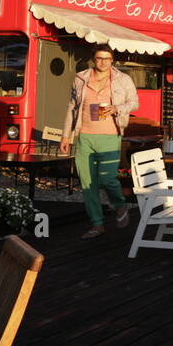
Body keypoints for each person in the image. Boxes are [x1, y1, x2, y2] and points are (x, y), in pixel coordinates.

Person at [59, 44, 139, 238]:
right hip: (84, 136)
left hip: (110, 136)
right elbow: (72, 107)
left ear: (112, 60)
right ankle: (97, 224)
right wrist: (65, 135)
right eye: (99, 58)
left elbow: (134, 102)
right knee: (88, 184)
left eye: (107, 58)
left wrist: (117, 108)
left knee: (107, 179)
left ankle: (119, 206)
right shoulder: (81, 78)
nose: (103, 62)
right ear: (93, 59)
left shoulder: (123, 79)